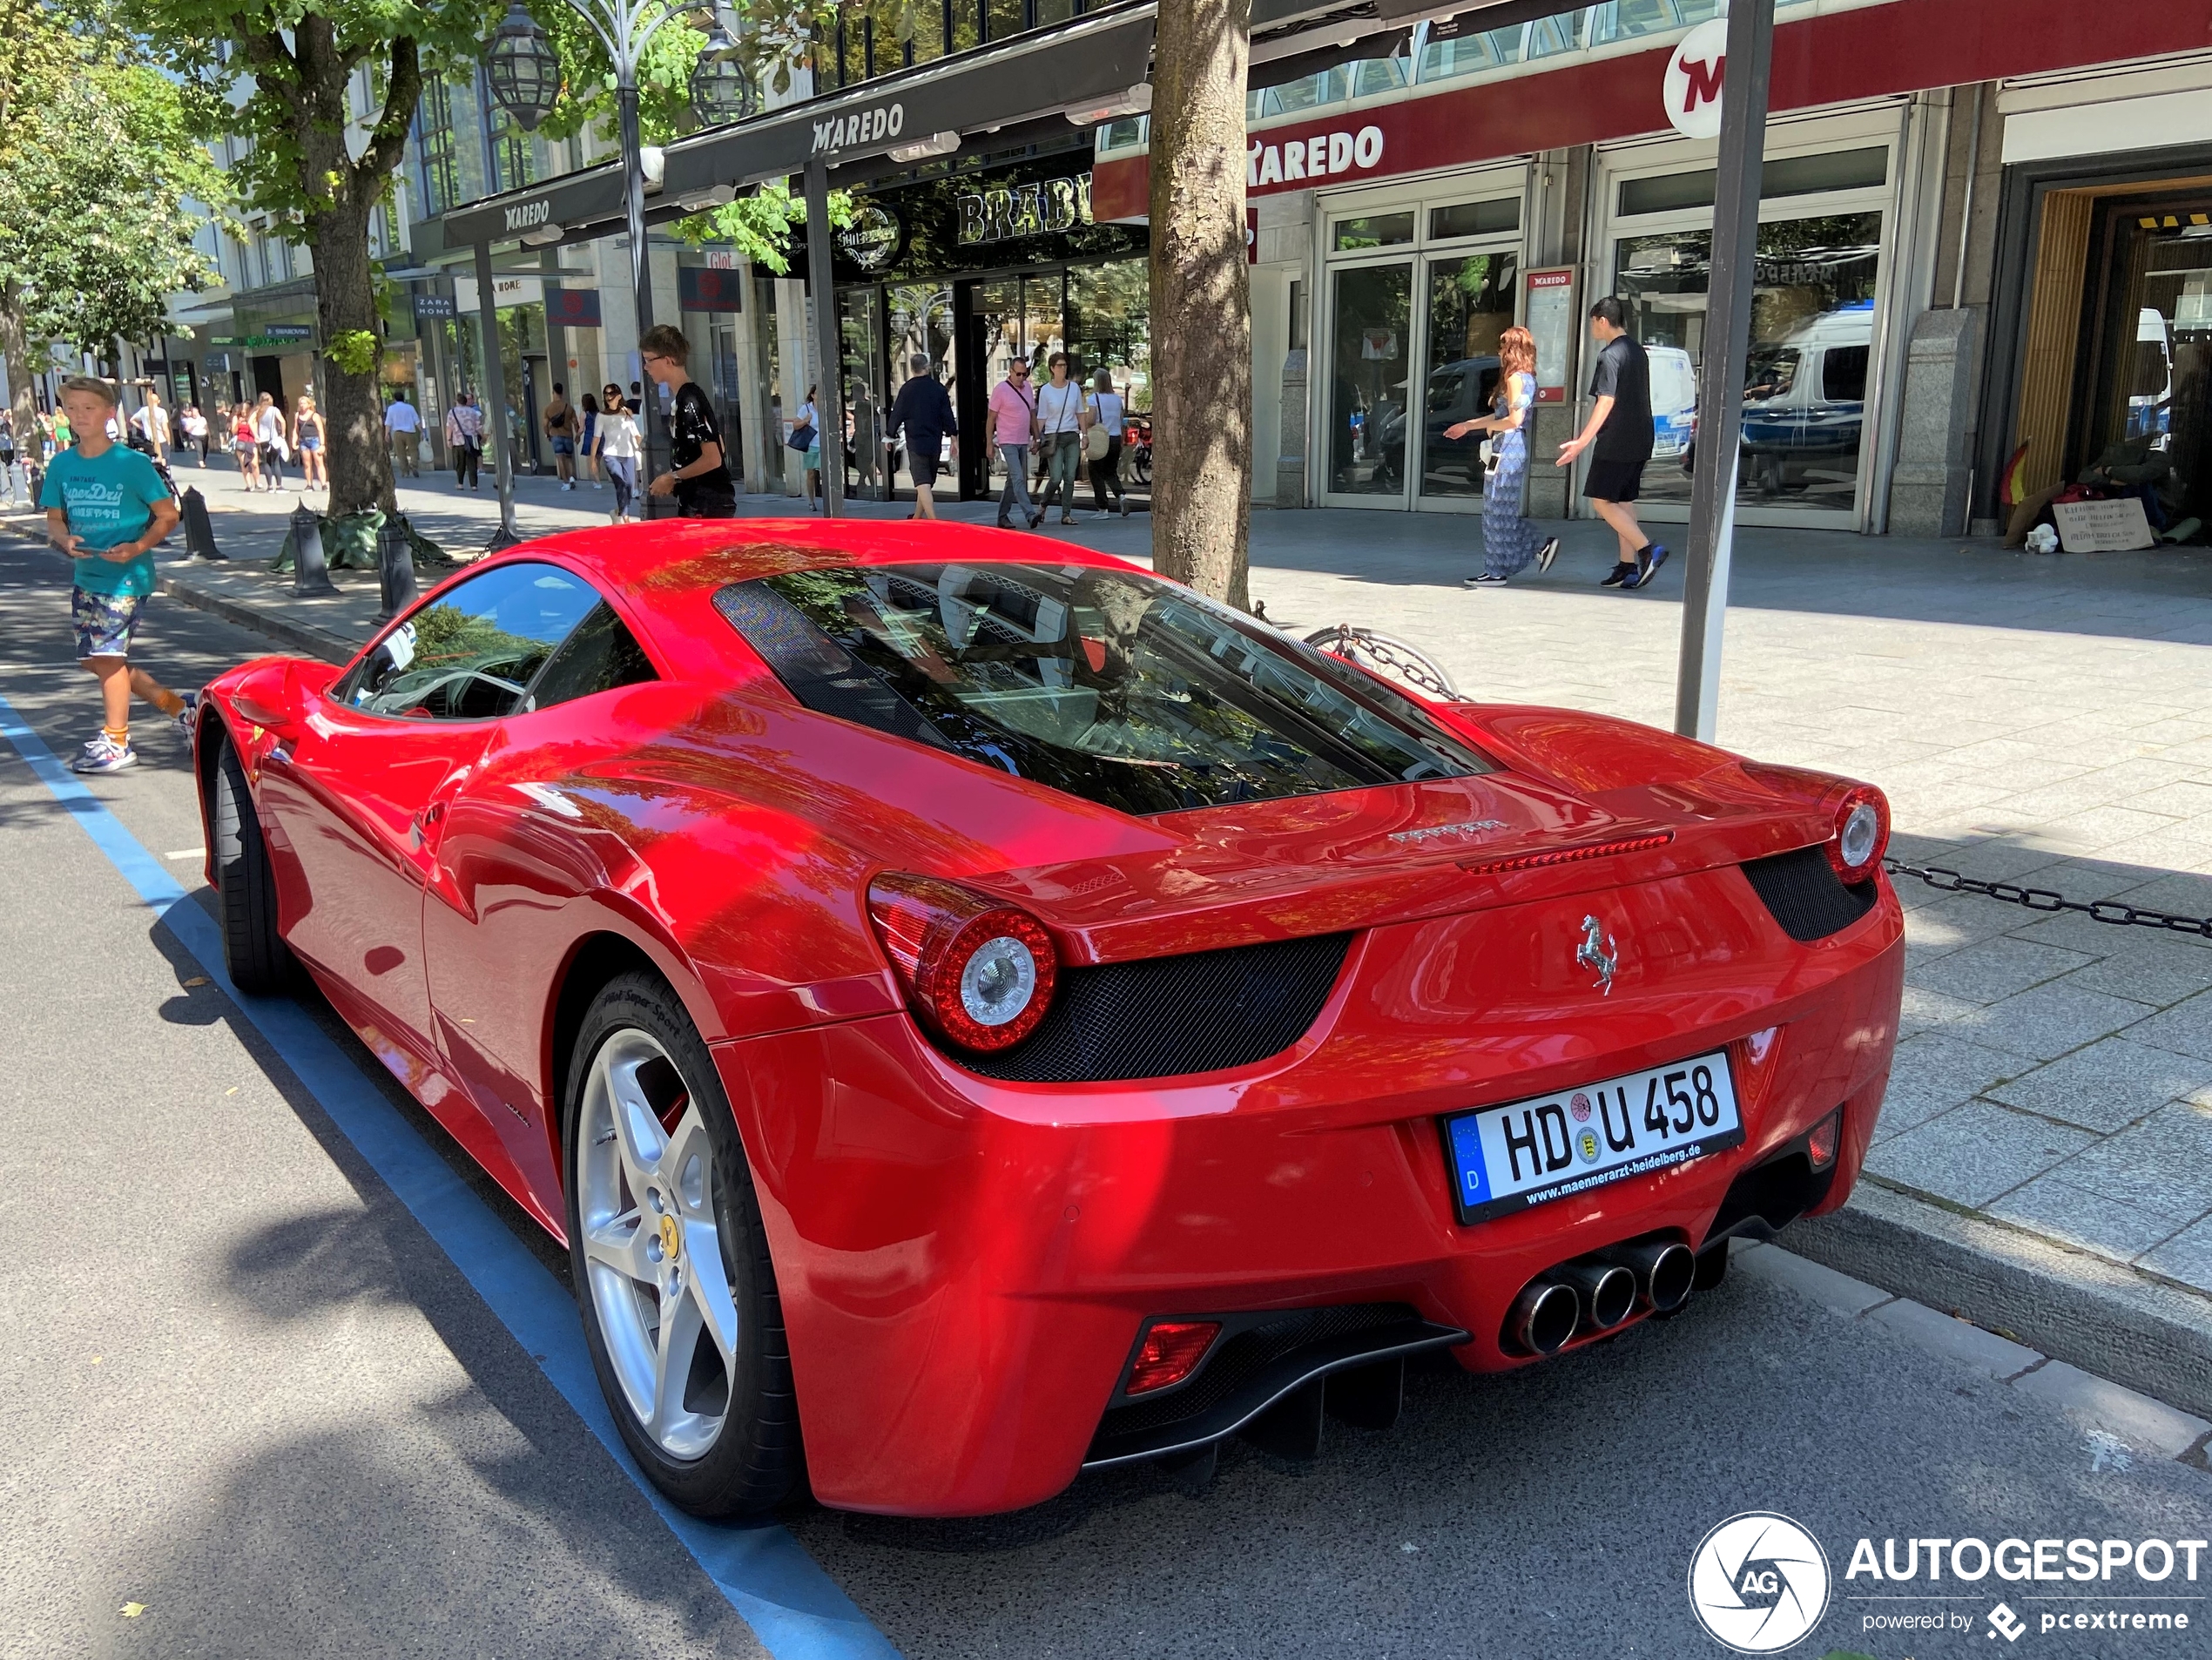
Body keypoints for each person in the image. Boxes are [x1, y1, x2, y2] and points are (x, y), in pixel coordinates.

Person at [40, 376, 188, 774]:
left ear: (109, 413)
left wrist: (137, 548)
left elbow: (168, 515)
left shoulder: (132, 464)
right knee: (99, 661)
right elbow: (54, 519)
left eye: (89, 408)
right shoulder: (62, 464)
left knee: (107, 658)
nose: (79, 416)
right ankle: (182, 709)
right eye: (72, 408)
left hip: (126, 578)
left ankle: (117, 741)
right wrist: (63, 539)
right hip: (86, 574)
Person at [1556, 296, 1668, 590]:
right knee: (1622, 501)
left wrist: (1581, 441)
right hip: (1642, 435)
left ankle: (1647, 550)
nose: (1593, 328)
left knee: (1601, 501)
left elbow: (1606, 401)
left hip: (1617, 439)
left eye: (1593, 322)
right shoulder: (1637, 351)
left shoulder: (1609, 355)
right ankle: (1627, 566)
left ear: (1602, 321)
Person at [1450, 326, 1558, 587]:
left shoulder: (1514, 380)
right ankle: (1534, 548)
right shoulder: (1528, 378)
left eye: (1502, 346)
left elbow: (1512, 420)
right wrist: (1469, 426)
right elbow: (1505, 416)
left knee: (1495, 511)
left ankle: (1497, 570)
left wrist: (1489, 428)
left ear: (1511, 350)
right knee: (1501, 511)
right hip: (1513, 448)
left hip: (1506, 448)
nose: (1499, 352)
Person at [639, 324, 735, 518]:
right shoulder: (689, 397)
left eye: (649, 360)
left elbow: (714, 458)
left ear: (668, 360)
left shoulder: (689, 400)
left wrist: (672, 477)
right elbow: (720, 446)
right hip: (702, 502)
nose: (646, 367)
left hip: (705, 505)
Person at [885, 354, 956, 521]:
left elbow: (897, 414)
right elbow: (947, 415)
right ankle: (917, 517)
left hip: (916, 441)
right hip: (934, 440)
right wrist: (954, 438)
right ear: (927, 367)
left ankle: (933, 520)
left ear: (912, 368)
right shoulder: (938, 389)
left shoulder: (907, 390)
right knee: (926, 481)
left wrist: (889, 436)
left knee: (922, 481)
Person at [988, 360, 1041, 529]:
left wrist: (1036, 438)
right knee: (1019, 478)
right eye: (1018, 374)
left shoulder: (1027, 388)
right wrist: (989, 442)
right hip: (1007, 441)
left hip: (1022, 440)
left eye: (1024, 374)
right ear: (1010, 372)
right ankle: (1030, 514)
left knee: (1012, 480)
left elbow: (1032, 414)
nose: (1021, 378)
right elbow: (991, 418)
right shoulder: (1000, 390)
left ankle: (1002, 517)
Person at [1035, 352, 1085, 525]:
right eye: (1059, 366)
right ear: (1052, 369)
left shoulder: (1074, 388)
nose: (1063, 369)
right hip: (1053, 437)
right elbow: (1041, 416)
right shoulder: (1046, 391)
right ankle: (1043, 505)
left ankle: (1066, 514)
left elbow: (1080, 412)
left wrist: (1084, 434)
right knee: (1056, 477)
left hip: (1071, 435)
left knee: (1070, 477)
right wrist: (1035, 438)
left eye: (1065, 365)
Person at [1082, 368, 1130, 518]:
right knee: (1110, 471)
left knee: (1095, 472)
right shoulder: (1117, 399)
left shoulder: (1093, 399)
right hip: (1116, 438)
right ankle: (1121, 495)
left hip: (1100, 439)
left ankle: (1103, 509)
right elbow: (1121, 419)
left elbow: (1091, 420)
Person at [592, 383, 641, 523]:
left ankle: (617, 512)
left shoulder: (626, 412)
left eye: (611, 393)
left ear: (619, 396)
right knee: (621, 483)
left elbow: (635, 433)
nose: (608, 396)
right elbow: (596, 439)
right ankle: (626, 518)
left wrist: (638, 441)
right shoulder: (601, 416)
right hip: (610, 455)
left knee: (630, 487)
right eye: (606, 394)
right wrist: (593, 461)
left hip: (629, 455)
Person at [790, 383, 822, 511]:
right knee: (811, 474)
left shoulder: (827, 408)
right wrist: (805, 420)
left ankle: (831, 499)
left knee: (827, 473)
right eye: (818, 393)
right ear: (813, 395)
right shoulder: (806, 409)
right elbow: (795, 425)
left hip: (825, 445)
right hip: (811, 445)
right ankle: (811, 501)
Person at [446, 391, 484, 489]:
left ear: (456, 401)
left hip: (458, 441)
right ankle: (474, 485)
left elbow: (449, 427)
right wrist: (483, 436)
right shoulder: (472, 412)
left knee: (460, 463)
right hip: (471, 440)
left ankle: (460, 483)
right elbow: (478, 426)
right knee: (472, 463)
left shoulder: (452, 412)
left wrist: (449, 439)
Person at [543, 381, 577, 489]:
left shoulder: (548, 408)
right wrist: (578, 434)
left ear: (553, 393)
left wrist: (547, 434)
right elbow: (575, 422)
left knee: (560, 459)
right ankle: (571, 477)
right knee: (569, 458)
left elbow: (545, 424)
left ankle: (566, 482)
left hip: (555, 435)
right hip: (568, 435)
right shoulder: (569, 407)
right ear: (562, 393)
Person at [292, 393, 327, 490]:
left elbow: (320, 430)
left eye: (304, 403)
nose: (302, 405)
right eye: (300, 403)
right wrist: (294, 441)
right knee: (307, 464)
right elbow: (295, 429)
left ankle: (323, 484)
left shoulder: (315, 416)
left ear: (309, 404)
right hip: (303, 442)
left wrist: (322, 444)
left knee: (319, 462)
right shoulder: (297, 415)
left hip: (314, 440)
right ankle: (309, 484)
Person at [253, 392, 287, 490]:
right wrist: (283, 434)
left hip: (263, 439)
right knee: (276, 462)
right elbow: (282, 421)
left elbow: (253, 422)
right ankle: (279, 485)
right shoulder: (274, 410)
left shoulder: (258, 411)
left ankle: (269, 486)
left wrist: (256, 435)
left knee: (266, 462)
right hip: (274, 439)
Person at [384, 390, 421, 478]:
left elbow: (388, 423)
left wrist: (386, 434)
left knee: (400, 453)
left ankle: (405, 471)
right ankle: (413, 465)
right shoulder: (410, 407)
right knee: (414, 450)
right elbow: (417, 421)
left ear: (394, 399)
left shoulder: (391, 408)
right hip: (410, 432)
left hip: (398, 433)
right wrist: (422, 431)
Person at [129, 388, 171, 460]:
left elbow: (132, 420)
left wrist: (142, 427)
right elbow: (165, 428)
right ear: (158, 401)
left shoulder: (143, 410)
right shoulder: (162, 412)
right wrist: (168, 440)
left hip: (148, 439)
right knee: (163, 459)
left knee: (152, 459)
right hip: (161, 439)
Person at [231, 402, 259, 489]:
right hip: (241, 442)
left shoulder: (253, 418)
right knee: (244, 463)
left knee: (254, 463)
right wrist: (238, 424)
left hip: (251, 441)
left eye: (245, 410)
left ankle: (257, 482)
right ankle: (249, 485)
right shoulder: (236, 418)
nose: (243, 412)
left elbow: (256, 429)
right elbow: (234, 431)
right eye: (242, 409)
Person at [578, 393, 601, 489]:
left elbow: (581, 429)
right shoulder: (599, 414)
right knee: (598, 460)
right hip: (599, 436)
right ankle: (597, 479)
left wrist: (577, 436)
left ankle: (597, 481)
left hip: (589, 436)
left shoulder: (583, 414)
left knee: (592, 460)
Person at [180, 402, 208, 466]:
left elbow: (206, 427)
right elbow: (186, 429)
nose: (194, 414)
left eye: (195, 413)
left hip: (204, 435)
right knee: (199, 449)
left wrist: (208, 434)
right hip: (195, 436)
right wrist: (192, 426)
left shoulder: (202, 419)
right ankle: (201, 461)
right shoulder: (190, 420)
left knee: (204, 448)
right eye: (193, 413)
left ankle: (203, 458)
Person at [0, 409, 17, 507]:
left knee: (4, 465)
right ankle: (6, 494)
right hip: (4, 445)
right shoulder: (3, 421)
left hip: (6, 445)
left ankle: (6, 494)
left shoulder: (5, 422)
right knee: (3, 466)